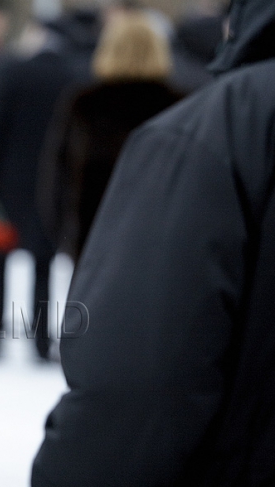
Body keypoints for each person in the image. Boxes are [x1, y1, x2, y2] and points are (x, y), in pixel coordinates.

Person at [31, 0, 275, 484]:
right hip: (175, 259)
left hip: (102, 248)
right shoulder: (184, 102)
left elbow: (55, 179)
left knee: (113, 336)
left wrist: (61, 230)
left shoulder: (90, 103)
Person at [38, 10, 183, 263]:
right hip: (161, 246)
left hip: (93, 244)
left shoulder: (85, 104)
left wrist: (64, 235)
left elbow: (56, 175)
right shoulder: (179, 106)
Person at [0, 16, 77, 359]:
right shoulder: (72, 77)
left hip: (6, 184)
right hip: (52, 187)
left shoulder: (11, 73)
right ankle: (42, 342)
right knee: (44, 265)